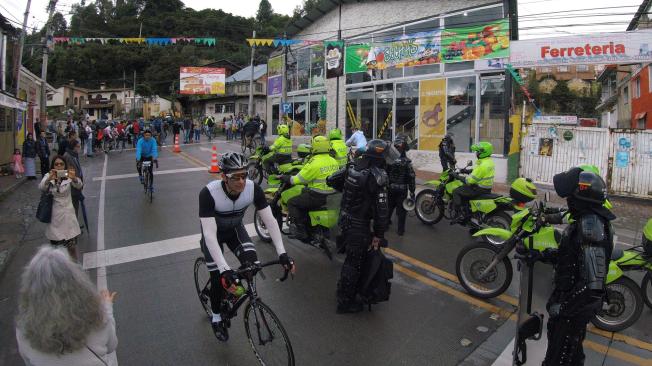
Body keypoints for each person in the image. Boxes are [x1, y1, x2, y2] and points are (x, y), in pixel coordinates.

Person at [198, 152, 295, 341]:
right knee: (218, 277)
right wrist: (225, 269)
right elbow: (209, 234)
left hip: (235, 231)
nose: (241, 181)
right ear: (223, 176)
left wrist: (283, 253)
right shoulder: (209, 193)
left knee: (252, 265)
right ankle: (217, 317)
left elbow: (271, 222)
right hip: (214, 235)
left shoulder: (253, 189)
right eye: (235, 177)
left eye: (244, 175)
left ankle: (233, 293)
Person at [541, 166, 615, 365]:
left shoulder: (591, 225)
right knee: (572, 355)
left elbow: (592, 287)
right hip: (572, 307)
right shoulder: (587, 219)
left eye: (570, 198)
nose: (567, 202)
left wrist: (564, 309)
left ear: (579, 197)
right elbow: (575, 257)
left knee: (558, 360)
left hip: (572, 311)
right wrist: (547, 255)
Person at [16, 245, 118, 366]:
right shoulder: (96, 318)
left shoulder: (24, 330)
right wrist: (107, 305)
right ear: (78, 282)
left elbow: (28, 362)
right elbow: (112, 345)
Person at [326, 139, 389, 314]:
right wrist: (379, 234)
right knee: (353, 263)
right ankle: (345, 301)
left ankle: (344, 290)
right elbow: (382, 211)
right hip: (359, 226)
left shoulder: (352, 168)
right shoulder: (377, 176)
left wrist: (349, 191)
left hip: (345, 220)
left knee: (351, 260)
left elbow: (330, 180)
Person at [280, 135, 340, 242]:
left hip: (317, 196)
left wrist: (286, 178)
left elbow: (296, 180)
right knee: (304, 193)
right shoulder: (334, 161)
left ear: (314, 147)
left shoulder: (313, 162)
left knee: (292, 202)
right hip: (332, 195)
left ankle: (301, 231)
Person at [39, 156, 84, 260]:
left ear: (65, 165)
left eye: (61, 164)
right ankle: (60, 270)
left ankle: (74, 269)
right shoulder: (49, 175)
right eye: (56, 164)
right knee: (58, 251)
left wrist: (74, 178)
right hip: (55, 219)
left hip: (69, 218)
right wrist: (49, 180)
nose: (59, 166)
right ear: (53, 166)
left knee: (72, 248)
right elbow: (41, 187)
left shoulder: (68, 175)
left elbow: (79, 185)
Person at [451, 141, 495, 224]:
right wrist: (467, 171)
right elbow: (479, 172)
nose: (476, 153)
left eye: (478, 152)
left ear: (483, 152)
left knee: (456, 191)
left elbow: (469, 181)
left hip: (478, 189)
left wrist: (456, 176)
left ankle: (459, 215)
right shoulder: (488, 161)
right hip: (486, 188)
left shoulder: (482, 165)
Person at [387, 137, 416, 236]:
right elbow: (411, 177)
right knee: (402, 210)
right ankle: (400, 230)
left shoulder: (389, 161)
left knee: (389, 207)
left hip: (390, 187)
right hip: (402, 189)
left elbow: (385, 174)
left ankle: (385, 225)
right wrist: (412, 191)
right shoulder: (407, 162)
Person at [63, 140, 84, 220]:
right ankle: (74, 227)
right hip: (73, 186)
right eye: (78, 146)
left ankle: (76, 224)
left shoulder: (74, 155)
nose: (79, 148)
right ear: (73, 147)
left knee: (76, 205)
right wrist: (75, 180)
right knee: (73, 207)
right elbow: (67, 172)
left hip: (77, 185)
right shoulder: (68, 156)